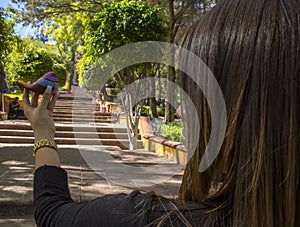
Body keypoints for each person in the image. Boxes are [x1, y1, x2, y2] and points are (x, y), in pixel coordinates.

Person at [23, 0, 299, 226]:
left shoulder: (142, 219)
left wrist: (43, 131)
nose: (183, 108)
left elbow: (51, 213)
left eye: (191, 90)